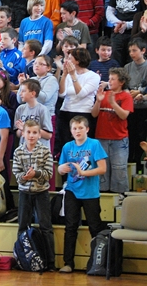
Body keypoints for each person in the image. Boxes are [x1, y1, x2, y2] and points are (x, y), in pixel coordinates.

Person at [57, 116, 107, 273]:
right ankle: (68, 263)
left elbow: (102, 168)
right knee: (70, 226)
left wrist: (84, 172)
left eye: (80, 128)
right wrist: (61, 169)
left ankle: (96, 264)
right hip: (72, 190)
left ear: (87, 129)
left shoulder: (94, 144)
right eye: (74, 128)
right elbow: (60, 168)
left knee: (94, 227)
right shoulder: (67, 147)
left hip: (90, 193)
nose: (77, 131)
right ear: (71, 131)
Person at [13, 120, 56, 272]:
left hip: (41, 193)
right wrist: (23, 177)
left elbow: (49, 174)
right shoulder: (18, 151)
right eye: (28, 132)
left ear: (39, 135)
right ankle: (22, 260)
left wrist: (35, 174)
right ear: (23, 134)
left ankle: (50, 263)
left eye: (35, 133)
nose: (31, 135)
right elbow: (16, 172)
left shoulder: (45, 151)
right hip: (24, 193)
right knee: (22, 226)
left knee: (46, 227)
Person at [92, 68, 133, 194]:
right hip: (101, 137)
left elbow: (124, 115)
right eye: (109, 79)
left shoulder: (126, 96)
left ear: (121, 82)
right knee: (102, 169)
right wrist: (98, 101)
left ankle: (119, 196)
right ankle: (102, 195)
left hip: (119, 140)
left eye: (112, 79)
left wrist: (113, 104)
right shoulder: (103, 94)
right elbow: (94, 114)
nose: (109, 81)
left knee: (119, 169)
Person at [56, 48, 101, 156]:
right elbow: (61, 94)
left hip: (83, 113)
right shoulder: (69, 74)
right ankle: (66, 171)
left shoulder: (93, 76)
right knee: (65, 145)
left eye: (69, 58)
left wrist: (73, 75)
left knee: (82, 147)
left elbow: (81, 93)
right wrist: (65, 75)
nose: (66, 61)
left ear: (77, 60)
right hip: (66, 111)